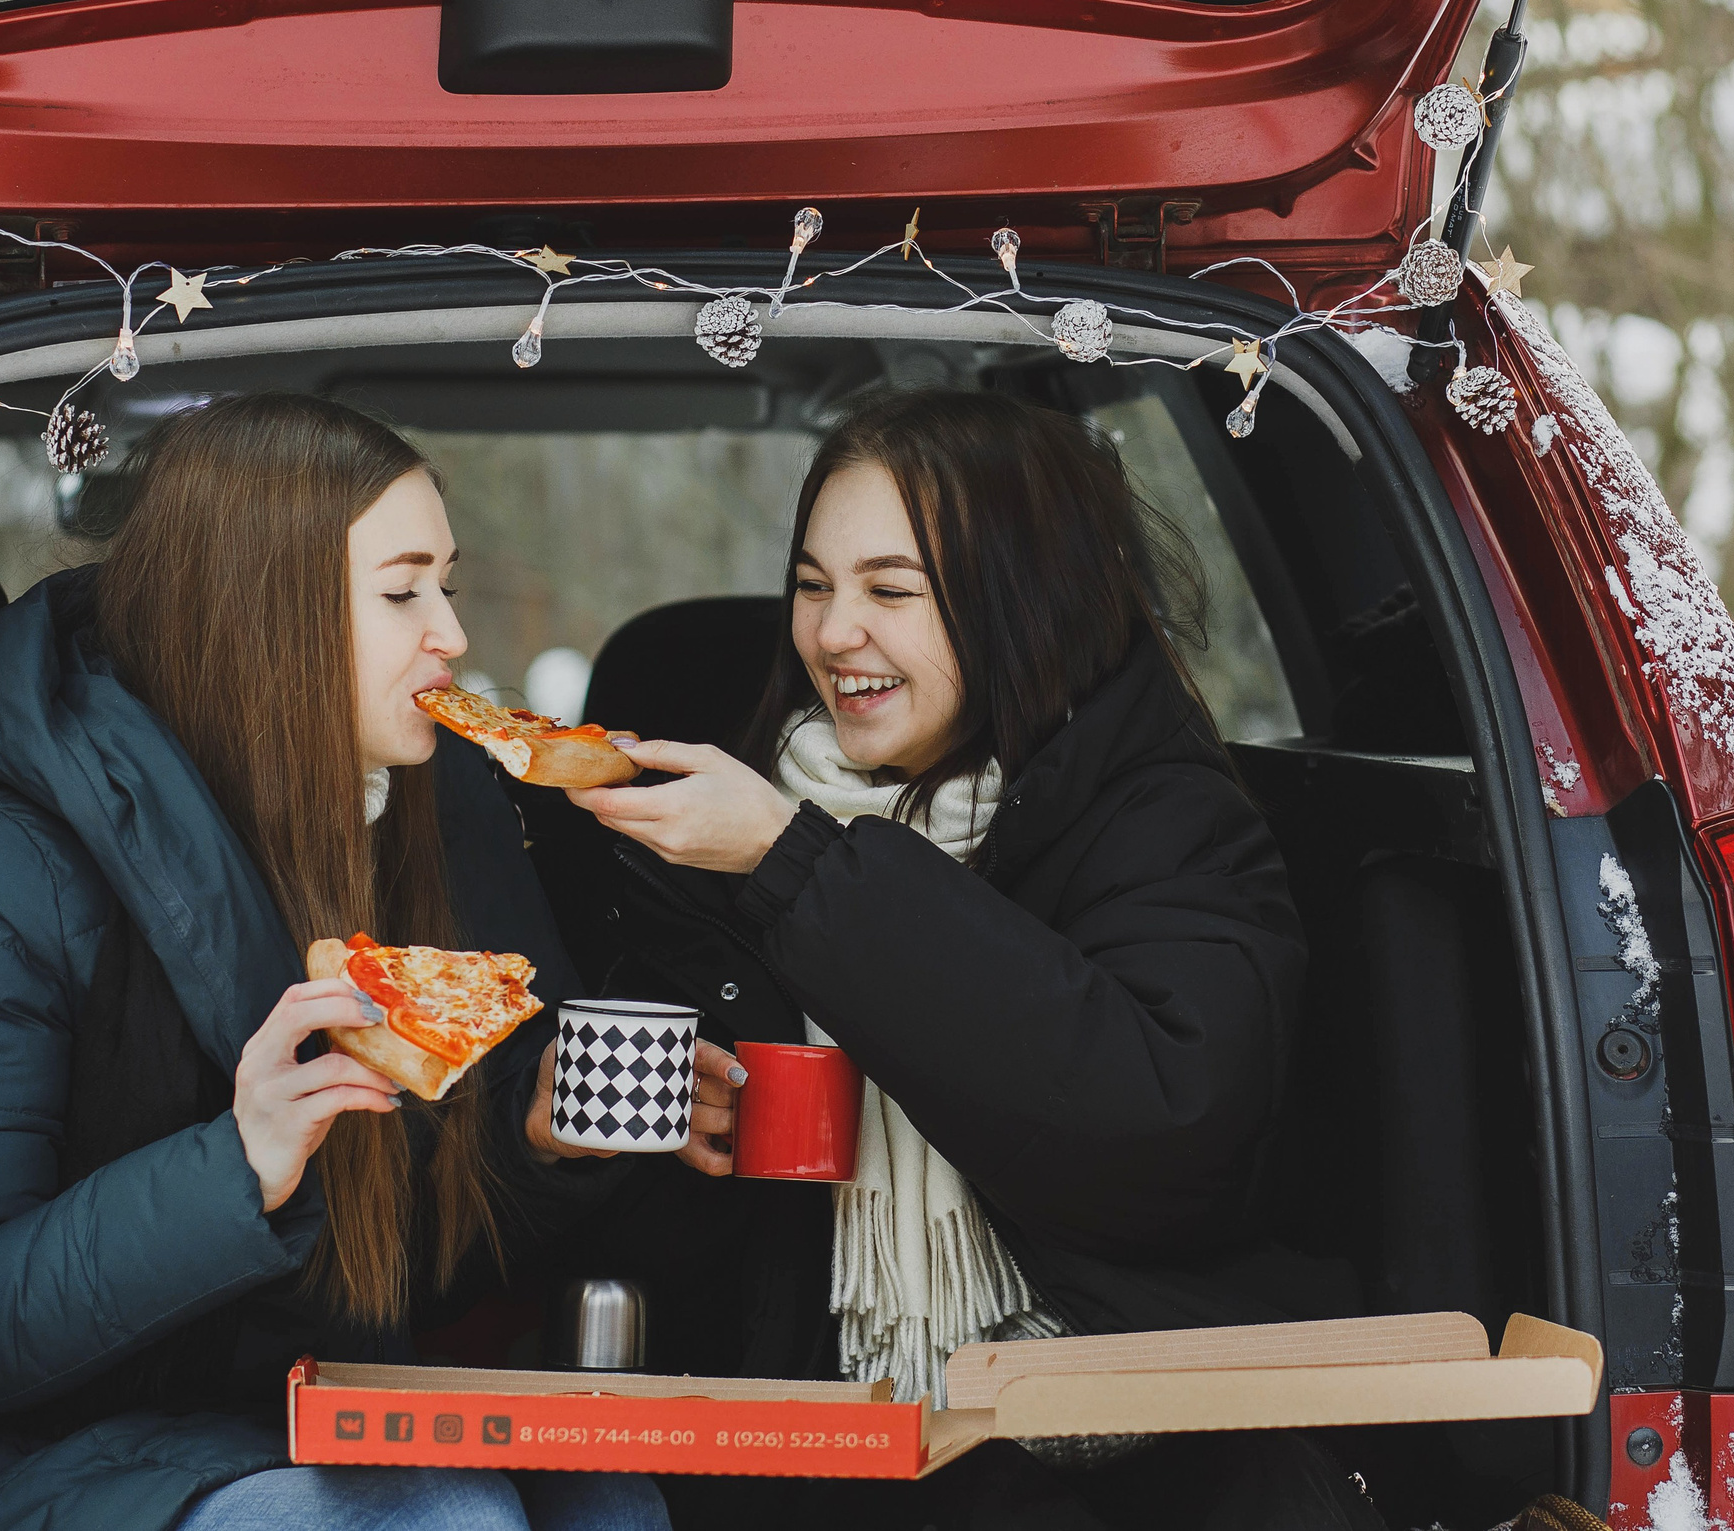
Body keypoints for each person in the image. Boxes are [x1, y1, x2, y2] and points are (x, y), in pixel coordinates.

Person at [0, 394, 726, 1531]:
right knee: (440, 1522)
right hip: (24, 1460)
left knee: (608, 1504)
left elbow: (392, 1283)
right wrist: (239, 1163)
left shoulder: (408, 822)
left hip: (298, 1413)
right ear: (265, 615)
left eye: (444, 585)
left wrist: (533, 1136)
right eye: (403, 592)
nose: (450, 634)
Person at [563, 390, 1382, 1529]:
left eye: (890, 591)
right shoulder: (713, 828)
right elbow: (639, 1252)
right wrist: (626, 1133)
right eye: (812, 586)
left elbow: (1158, 1129)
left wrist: (798, 868)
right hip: (779, 1429)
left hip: (1091, 1456)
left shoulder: (1163, 820)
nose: (834, 632)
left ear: (1022, 604)